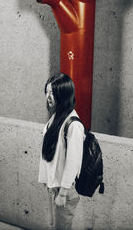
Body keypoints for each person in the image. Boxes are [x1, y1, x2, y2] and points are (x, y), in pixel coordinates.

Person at [38, 73, 85, 230]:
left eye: (53, 92)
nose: (48, 97)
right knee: (54, 227)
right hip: (54, 186)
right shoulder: (57, 116)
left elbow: (73, 161)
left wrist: (63, 193)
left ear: (64, 95)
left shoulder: (73, 124)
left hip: (64, 189)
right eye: (47, 91)